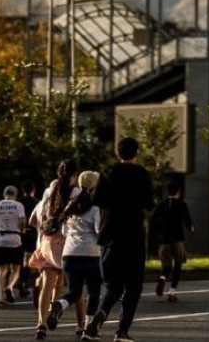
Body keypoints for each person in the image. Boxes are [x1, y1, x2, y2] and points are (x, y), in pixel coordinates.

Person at [84, 137, 153, 342]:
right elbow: (149, 204)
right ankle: (122, 331)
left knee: (113, 285)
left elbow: (98, 201)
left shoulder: (107, 172)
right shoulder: (142, 173)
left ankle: (99, 317)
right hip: (133, 236)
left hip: (110, 236)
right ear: (136, 153)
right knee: (133, 286)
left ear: (117, 153)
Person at [47, 171, 102, 338]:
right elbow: (99, 230)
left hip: (69, 254)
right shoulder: (95, 206)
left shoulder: (70, 205)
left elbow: (63, 231)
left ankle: (60, 305)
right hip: (90, 254)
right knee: (94, 291)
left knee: (74, 291)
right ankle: (88, 328)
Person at [32, 159, 78, 340]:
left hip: (48, 241)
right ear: (74, 175)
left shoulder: (49, 191)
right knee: (68, 283)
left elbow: (41, 215)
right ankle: (55, 311)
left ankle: (41, 324)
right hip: (67, 242)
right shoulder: (77, 192)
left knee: (47, 283)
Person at [151, 181, 194, 302]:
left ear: (167, 192)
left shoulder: (161, 205)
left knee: (166, 266)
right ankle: (172, 292)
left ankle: (163, 277)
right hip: (178, 239)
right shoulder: (182, 204)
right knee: (178, 265)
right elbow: (188, 220)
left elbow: (154, 222)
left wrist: (158, 234)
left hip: (164, 240)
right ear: (178, 193)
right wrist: (190, 227)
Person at [0, 185, 26, 306]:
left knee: (2, 269)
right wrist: (21, 230)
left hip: (0, 239)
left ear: (4, 194)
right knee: (16, 269)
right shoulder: (18, 205)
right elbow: (22, 220)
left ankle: (1, 296)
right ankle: (9, 287)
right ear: (15, 194)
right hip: (15, 239)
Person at [18, 181, 39, 301]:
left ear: (23, 190)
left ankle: (20, 281)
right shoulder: (37, 202)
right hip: (32, 233)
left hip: (19, 233)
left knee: (20, 259)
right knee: (28, 259)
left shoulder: (18, 203)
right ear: (33, 190)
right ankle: (24, 282)